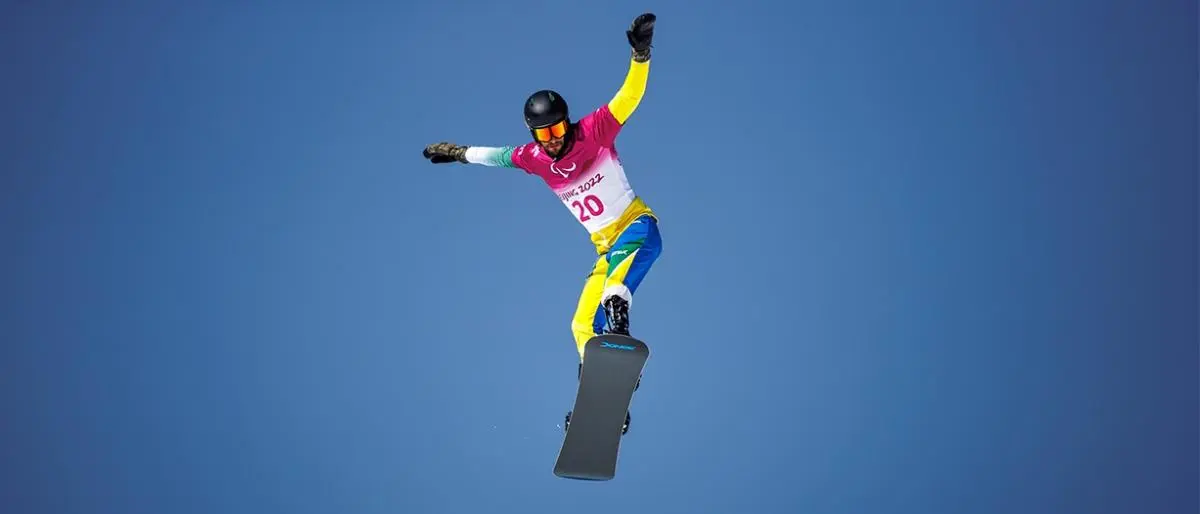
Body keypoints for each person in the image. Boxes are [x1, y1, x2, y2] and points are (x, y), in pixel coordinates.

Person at [422, 13, 659, 432]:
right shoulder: (535, 159)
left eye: (558, 130)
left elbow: (630, 96)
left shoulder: (594, 132)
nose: (554, 140)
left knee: (614, 294)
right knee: (580, 325)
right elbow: (498, 156)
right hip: (605, 248)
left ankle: (620, 340)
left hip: (636, 229)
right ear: (534, 136)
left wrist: (640, 54)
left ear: (567, 122)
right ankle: (602, 401)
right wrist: (459, 153)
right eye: (544, 135)